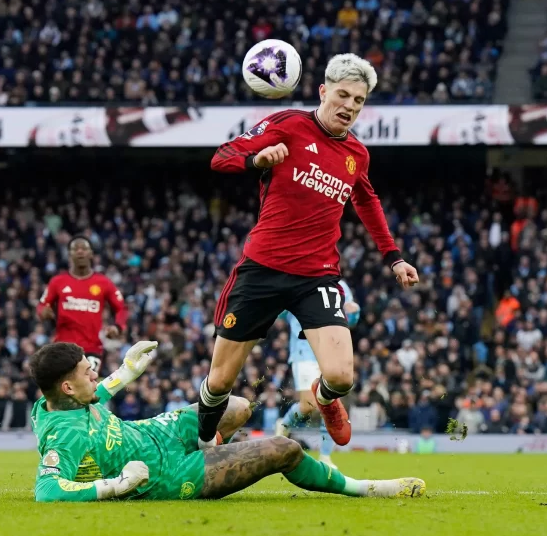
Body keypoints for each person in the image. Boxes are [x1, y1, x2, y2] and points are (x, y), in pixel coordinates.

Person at [203, 53, 420, 449]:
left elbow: (367, 201)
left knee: (341, 377)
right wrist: (256, 160)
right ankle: (201, 440)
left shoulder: (357, 155)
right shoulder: (289, 125)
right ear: (323, 91)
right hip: (262, 269)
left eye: (359, 101)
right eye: (343, 95)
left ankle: (324, 401)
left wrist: (395, 257)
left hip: (317, 276)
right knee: (219, 381)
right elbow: (222, 157)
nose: (350, 107)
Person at [29, 341, 426, 502]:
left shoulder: (59, 401)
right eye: (87, 371)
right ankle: (366, 489)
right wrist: (113, 486)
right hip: (164, 472)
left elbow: (94, 395)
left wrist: (126, 373)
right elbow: (47, 491)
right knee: (283, 450)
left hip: (155, 432)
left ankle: (209, 446)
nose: (94, 374)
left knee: (236, 406)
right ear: (66, 386)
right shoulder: (65, 436)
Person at [276, 279, 360, 468]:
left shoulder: (340, 285)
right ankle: (284, 425)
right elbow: (279, 313)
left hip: (331, 349)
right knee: (308, 405)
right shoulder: (293, 279)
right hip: (303, 350)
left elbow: (350, 320)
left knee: (330, 401)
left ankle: (326, 456)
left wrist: (354, 313)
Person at [37, 236, 128, 373]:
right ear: (69, 254)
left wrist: (118, 327)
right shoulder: (58, 282)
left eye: (84, 248)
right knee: (64, 389)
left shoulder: (103, 282)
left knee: (87, 386)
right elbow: (42, 306)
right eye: (75, 249)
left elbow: (121, 308)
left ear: (91, 253)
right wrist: (43, 312)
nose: (80, 251)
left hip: (92, 349)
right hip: (63, 347)